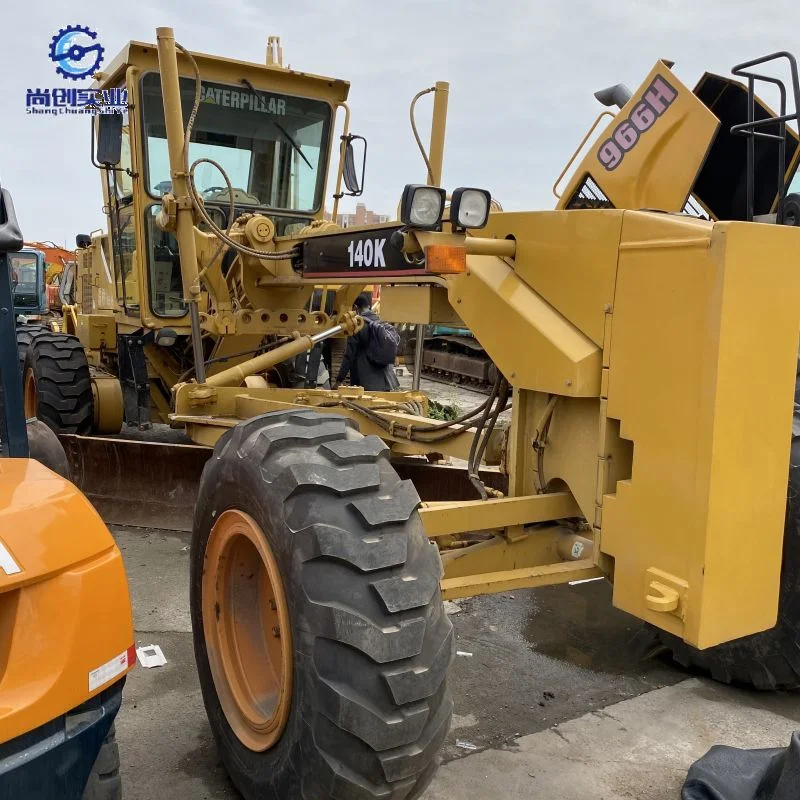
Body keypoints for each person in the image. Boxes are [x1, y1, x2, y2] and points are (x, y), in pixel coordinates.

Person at [336, 293, 400, 391]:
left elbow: (349, 355)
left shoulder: (358, 325)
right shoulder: (380, 322)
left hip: (367, 383)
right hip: (387, 381)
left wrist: (339, 380)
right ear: (369, 306)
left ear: (355, 307)